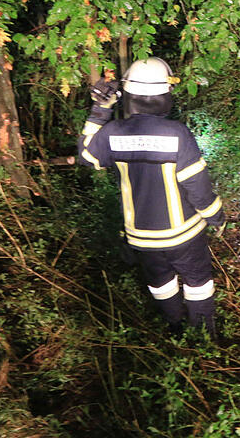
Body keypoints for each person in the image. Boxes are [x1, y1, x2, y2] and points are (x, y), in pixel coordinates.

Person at [77, 57, 224, 336]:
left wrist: (99, 111)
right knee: (197, 281)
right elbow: (198, 187)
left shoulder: (113, 132)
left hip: (141, 237)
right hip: (184, 234)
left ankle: (175, 329)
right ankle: (204, 336)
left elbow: (86, 156)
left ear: (129, 94)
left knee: (160, 282)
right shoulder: (176, 133)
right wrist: (216, 217)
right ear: (164, 95)